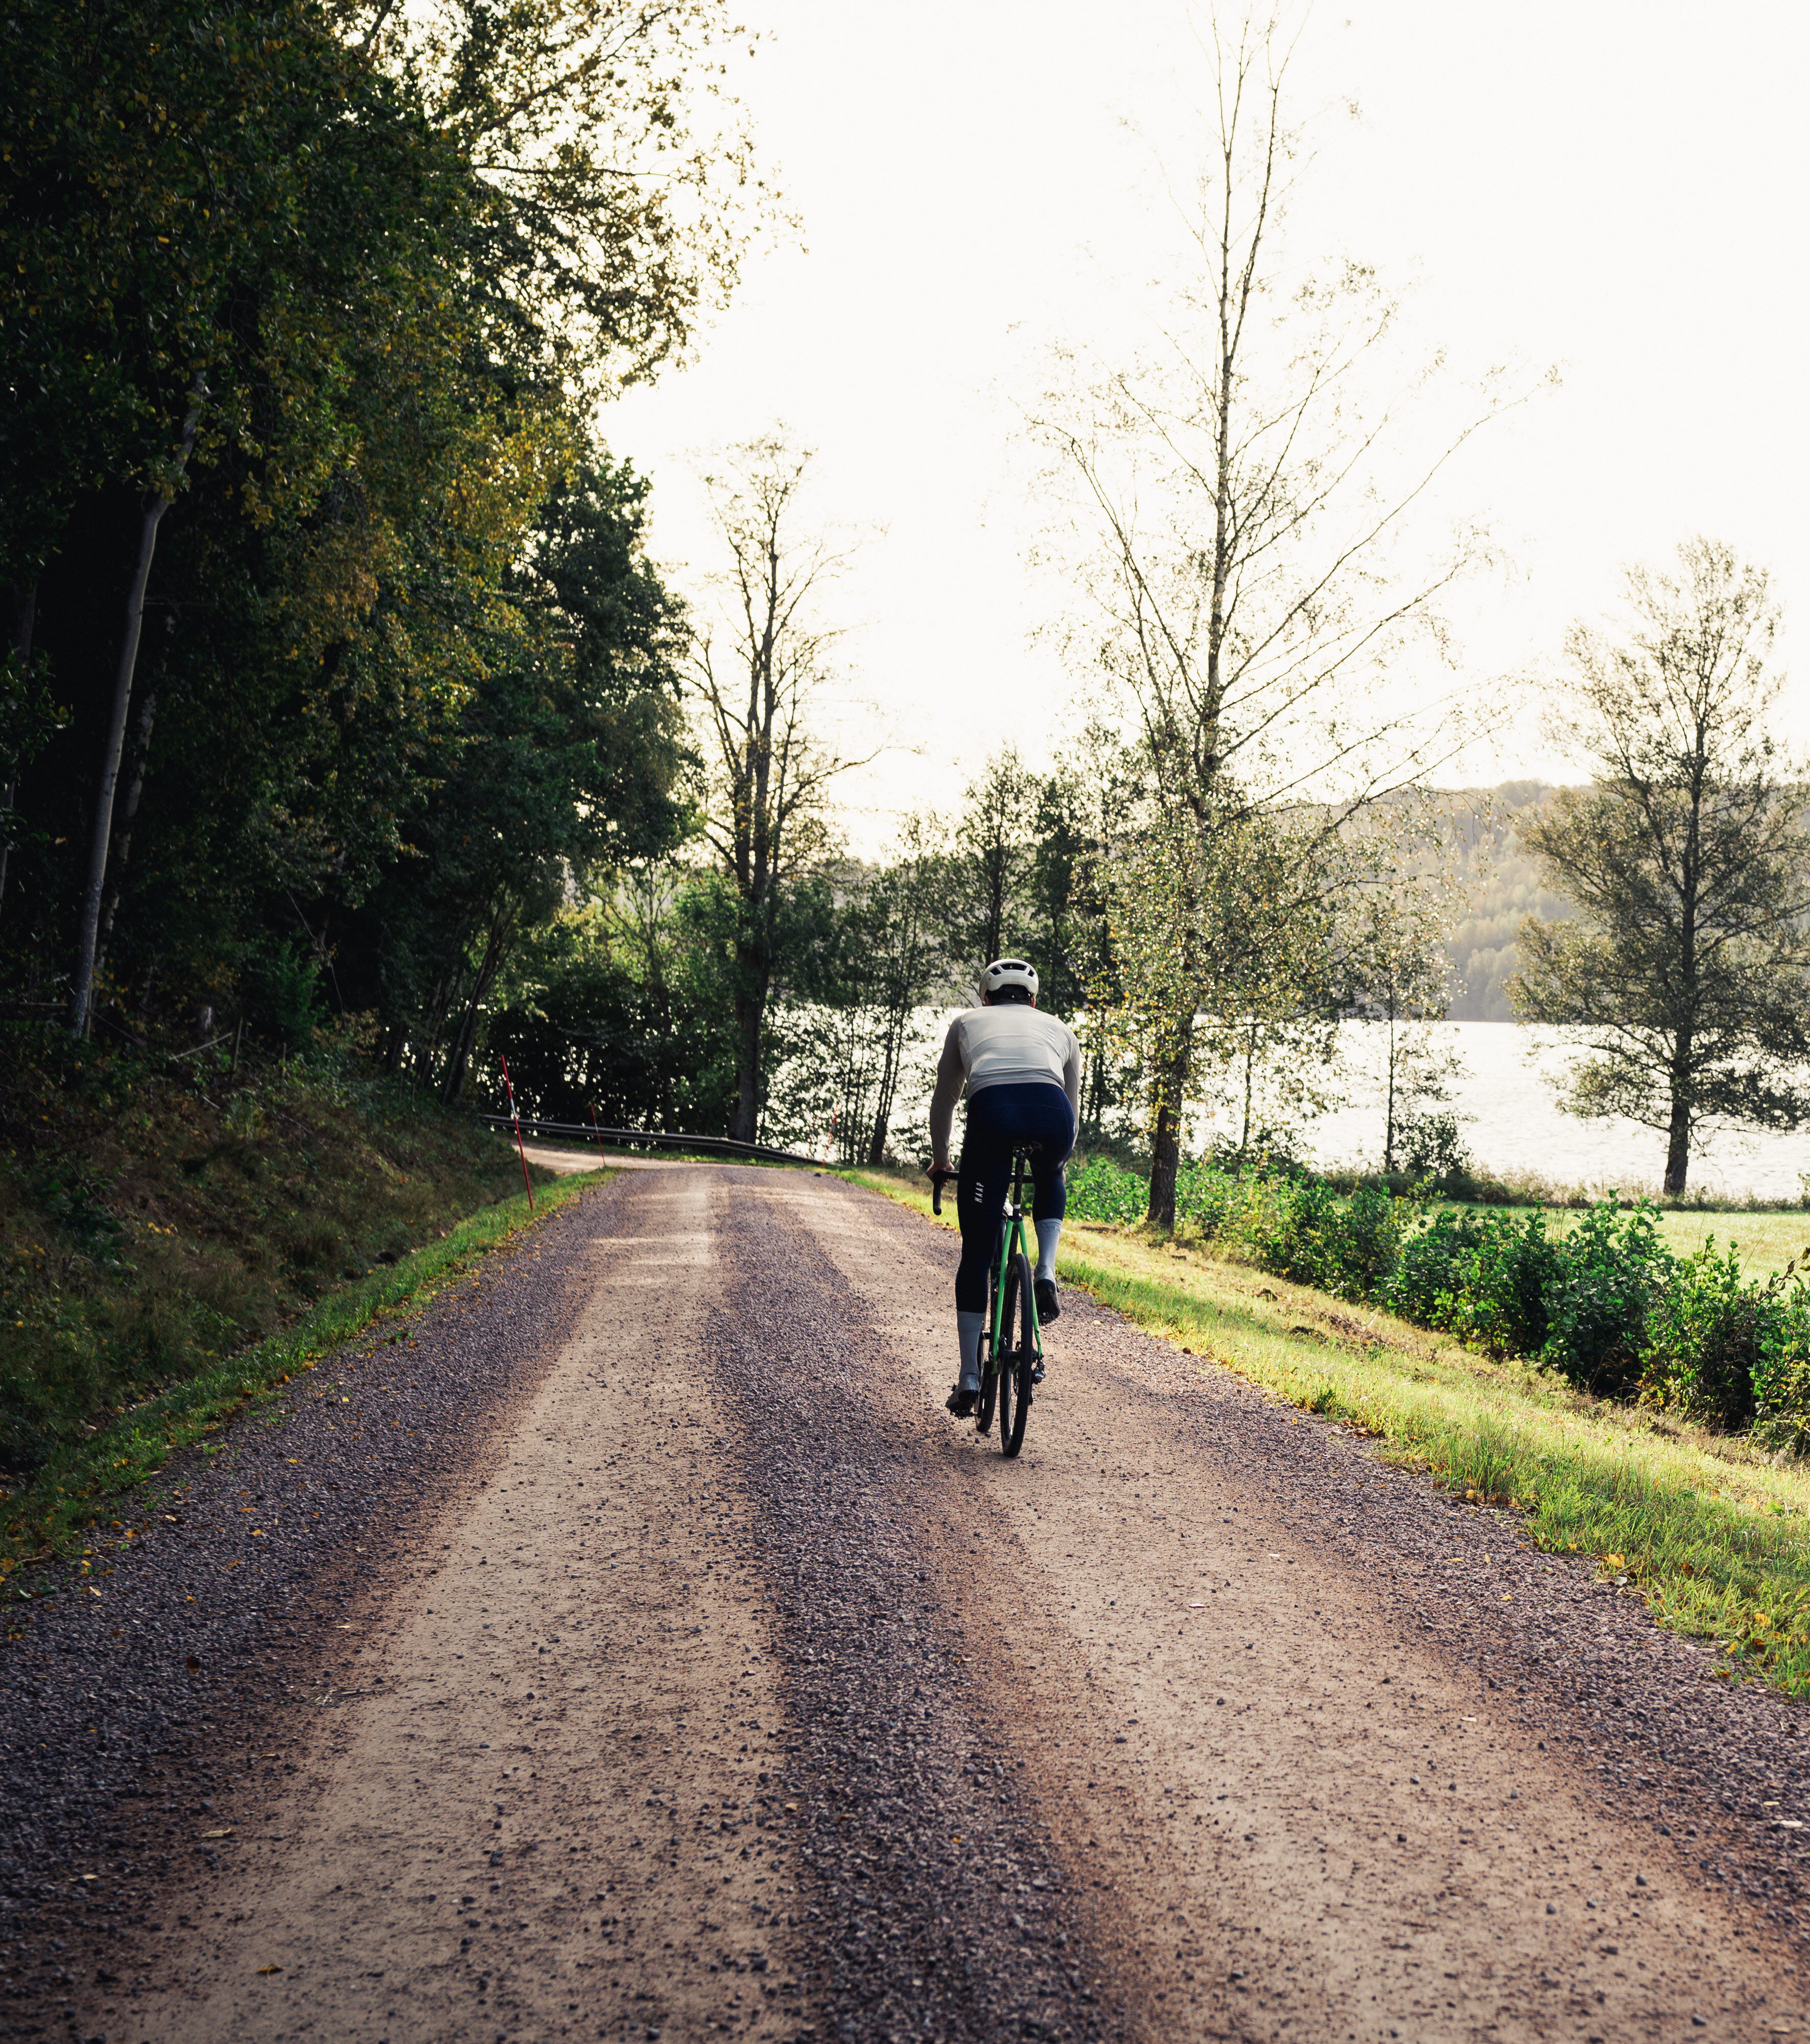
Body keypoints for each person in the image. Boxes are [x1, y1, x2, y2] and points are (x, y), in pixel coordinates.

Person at [926, 957, 1080, 1417]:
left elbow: (945, 1098)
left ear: (985, 998)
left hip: (992, 1113)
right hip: (1051, 1113)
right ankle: (1046, 1270)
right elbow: (1071, 1111)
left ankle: (969, 1377)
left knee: (976, 1254)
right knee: (1052, 1174)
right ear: (1033, 1001)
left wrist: (941, 1160)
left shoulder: (966, 1022)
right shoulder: (1061, 1029)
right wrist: (1055, 1163)